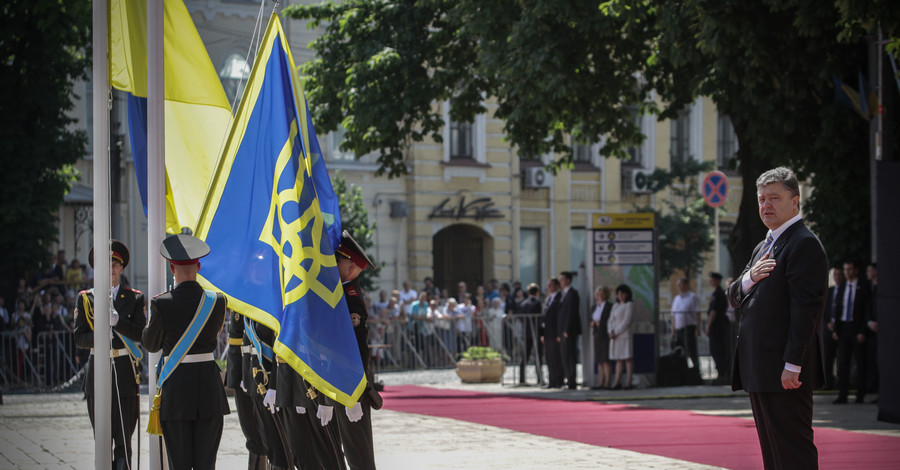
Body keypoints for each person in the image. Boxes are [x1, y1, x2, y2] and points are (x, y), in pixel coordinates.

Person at [726, 167, 827, 469]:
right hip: (760, 367)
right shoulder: (763, 245)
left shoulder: (802, 243)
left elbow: (806, 310)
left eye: (774, 198)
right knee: (773, 452)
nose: (766, 205)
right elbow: (733, 296)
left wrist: (793, 364)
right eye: (761, 199)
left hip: (785, 372)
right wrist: (748, 280)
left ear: (795, 201)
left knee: (793, 450)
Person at [142, 234, 230, 470]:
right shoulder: (217, 301)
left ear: (172, 268)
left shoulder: (162, 303)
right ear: (199, 266)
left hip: (177, 394)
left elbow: (150, 345)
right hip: (209, 392)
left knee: (179, 465)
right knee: (206, 465)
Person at [73, 240, 146, 470]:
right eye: (106, 264)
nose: (111, 269)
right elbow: (79, 338)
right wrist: (102, 334)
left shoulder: (134, 298)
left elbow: (141, 334)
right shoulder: (86, 299)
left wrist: (118, 323)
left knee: (124, 440)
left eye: (115, 264)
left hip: (125, 373)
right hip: (98, 373)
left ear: (121, 268)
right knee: (102, 439)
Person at [332, 230, 380, 470]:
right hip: (342, 379)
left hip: (353, 382)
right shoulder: (341, 291)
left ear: (350, 267)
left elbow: (358, 347)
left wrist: (355, 389)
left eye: (337, 261)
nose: (333, 264)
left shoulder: (351, 298)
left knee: (358, 451)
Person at [224, 310, 267, 470]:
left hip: (261, 369)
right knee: (251, 431)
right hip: (239, 366)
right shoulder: (237, 297)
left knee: (267, 433)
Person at [832, 260, 870, 404]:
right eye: (845, 269)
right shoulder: (842, 287)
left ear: (855, 270)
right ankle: (842, 395)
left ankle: (860, 395)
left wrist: (862, 331)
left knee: (860, 362)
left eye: (849, 269)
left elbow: (865, 309)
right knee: (843, 363)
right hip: (843, 328)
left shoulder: (863, 287)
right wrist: (836, 329)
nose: (847, 272)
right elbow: (838, 308)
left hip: (857, 328)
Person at [670, 278, 702, 371]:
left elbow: (698, 314)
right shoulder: (676, 298)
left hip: (689, 328)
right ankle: (682, 371)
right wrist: (672, 331)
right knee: (680, 351)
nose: (679, 287)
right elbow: (673, 316)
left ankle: (696, 370)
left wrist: (698, 329)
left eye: (682, 284)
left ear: (687, 285)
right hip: (678, 329)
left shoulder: (692, 297)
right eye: (678, 285)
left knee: (691, 350)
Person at [705, 272, 731, 384]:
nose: (711, 282)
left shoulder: (718, 294)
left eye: (712, 280)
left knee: (717, 350)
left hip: (717, 326)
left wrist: (708, 325)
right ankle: (722, 373)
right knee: (718, 349)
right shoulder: (718, 293)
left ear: (717, 281)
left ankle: (721, 373)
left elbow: (713, 311)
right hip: (720, 325)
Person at [557, 271, 581, 390]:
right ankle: (568, 379)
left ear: (568, 280)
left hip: (569, 330)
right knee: (565, 355)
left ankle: (572, 380)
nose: (560, 282)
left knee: (570, 355)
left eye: (562, 279)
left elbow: (571, 313)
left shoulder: (573, 294)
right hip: (562, 330)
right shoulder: (563, 294)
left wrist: (566, 329)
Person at [515, 283, 543, 385]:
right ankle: (539, 378)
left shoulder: (523, 303)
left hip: (526, 332)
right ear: (537, 292)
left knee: (525, 355)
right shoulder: (537, 303)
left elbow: (519, 316)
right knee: (538, 355)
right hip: (536, 332)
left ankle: (522, 378)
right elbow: (540, 318)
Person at [608, 284, 634, 389]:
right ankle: (617, 382)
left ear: (627, 294)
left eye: (622, 294)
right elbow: (610, 320)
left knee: (627, 358)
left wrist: (617, 331)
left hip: (624, 335)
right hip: (615, 336)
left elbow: (626, 321)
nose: (620, 296)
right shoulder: (615, 305)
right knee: (618, 359)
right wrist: (611, 331)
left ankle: (629, 382)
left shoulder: (629, 305)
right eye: (619, 294)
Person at [822, 267, 844, 390]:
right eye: (835, 274)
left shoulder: (845, 289)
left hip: (841, 328)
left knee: (842, 358)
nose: (837, 277)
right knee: (827, 358)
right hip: (828, 328)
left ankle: (841, 384)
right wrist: (828, 322)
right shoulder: (829, 291)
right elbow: (823, 309)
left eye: (840, 274)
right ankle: (827, 383)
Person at [540, 277, 563, 388]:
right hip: (547, 332)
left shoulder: (559, 298)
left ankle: (559, 380)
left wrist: (559, 333)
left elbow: (559, 317)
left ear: (557, 286)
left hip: (554, 332)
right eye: (548, 286)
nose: (549, 288)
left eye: (551, 286)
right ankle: (552, 380)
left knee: (556, 357)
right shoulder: (548, 299)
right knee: (549, 358)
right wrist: (542, 333)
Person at [589, 286, 612, 389]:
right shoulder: (594, 307)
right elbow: (591, 318)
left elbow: (609, 320)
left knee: (605, 358)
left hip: (605, 333)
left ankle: (607, 381)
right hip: (596, 333)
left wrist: (600, 323)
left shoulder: (609, 306)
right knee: (599, 360)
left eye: (602, 294)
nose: (600, 296)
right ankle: (601, 381)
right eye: (599, 294)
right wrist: (593, 323)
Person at [865, 262, 878, 401]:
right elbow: (867, 309)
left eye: (869, 270)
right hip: (871, 330)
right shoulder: (870, 288)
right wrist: (869, 323)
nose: (867, 273)